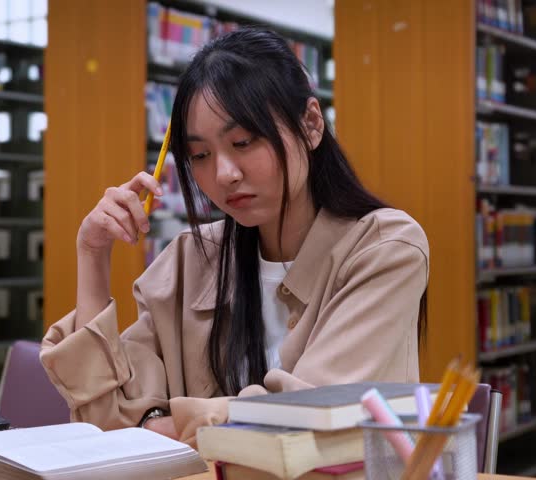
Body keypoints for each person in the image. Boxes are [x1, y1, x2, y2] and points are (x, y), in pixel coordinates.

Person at [40, 27, 429, 446]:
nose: (224, 174)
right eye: (201, 156)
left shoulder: (385, 248)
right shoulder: (192, 258)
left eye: (243, 141)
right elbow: (104, 421)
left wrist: (162, 423)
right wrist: (93, 255)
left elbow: (311, 420)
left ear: (311, 124)